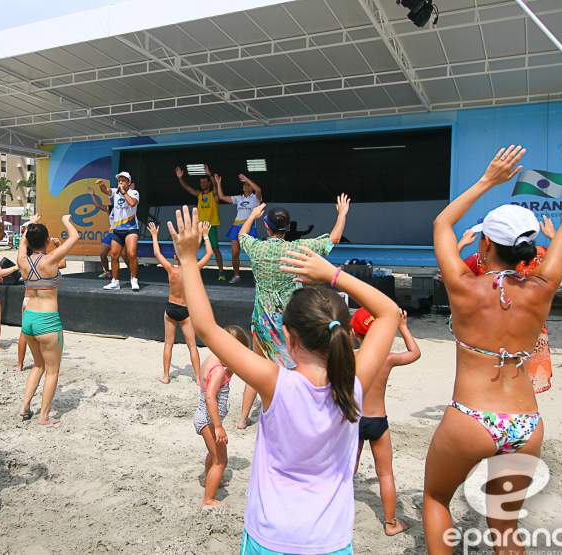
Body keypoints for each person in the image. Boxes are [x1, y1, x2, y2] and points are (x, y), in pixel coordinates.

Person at [168, 205, 401, 554]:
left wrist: (188, 259)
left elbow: (207, 328)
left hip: (270, 537)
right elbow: (390, 314)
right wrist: (333, 275)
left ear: (289, 337)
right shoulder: (354, 383)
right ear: (346, 333)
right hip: (330, 541)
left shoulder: (274, 382)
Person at [424, 116, 562, 555]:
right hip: (526, 423)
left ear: (484, 245)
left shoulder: (464, 286)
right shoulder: (541, 287)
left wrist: (487, 180)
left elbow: (441, 225)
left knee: (437, 498)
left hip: (470, 417)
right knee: (505, 526)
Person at [235, 196, 350, 429]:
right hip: (288, 322)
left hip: (261, 320)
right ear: (287, 228)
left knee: (256, 367)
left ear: (266, 226)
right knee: (293, 370)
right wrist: (342, 214)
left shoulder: (257, 248)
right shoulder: (296, 249)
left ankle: (242, 419)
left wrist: (252, 215)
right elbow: (333, 240)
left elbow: (241, 235)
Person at [458, 216, 562, 394]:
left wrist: (461, 244)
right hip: (530, 333)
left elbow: (450, 273)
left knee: (492, 387)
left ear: (488, 240)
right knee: (523, 388)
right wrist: (554, 237)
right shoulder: (538, 256)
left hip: (492, 332)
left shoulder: (481, 260)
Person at [351, 308, 420, 537]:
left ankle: (336, 514)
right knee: (385, 474)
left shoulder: (349, 357)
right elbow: (415, 353)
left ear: (354, 333)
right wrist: (402, 327)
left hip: (354, 420)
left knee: (347, 471)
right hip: (378, 421)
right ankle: (391, 523)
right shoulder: (387, 359)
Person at [18, 214, 79, 424]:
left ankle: (25, 406)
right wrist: (66, 220)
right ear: (46, 240)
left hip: (29, 319)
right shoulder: (50, 259)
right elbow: (74, 237)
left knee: (38, 365)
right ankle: (43, 417)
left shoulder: (22, 260)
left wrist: (30, 224)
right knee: (52, 372)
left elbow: (23, 240)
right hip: (47, 321)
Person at [148, 221, 213, 385]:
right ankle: (198, 378)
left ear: (175, 257)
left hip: (171, 307)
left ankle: (166, 376)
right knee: (192, 346)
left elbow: (156, 253)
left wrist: (154, 236)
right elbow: (209, 254)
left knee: (168, 344)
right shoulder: (193, 269)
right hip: (185, 310)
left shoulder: (171, 269)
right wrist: (205, 235)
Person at [194, 324, 249, 509]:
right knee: (221, 460)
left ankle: (210, 480)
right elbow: (210, 397)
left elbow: (226, 375)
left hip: (203, 417)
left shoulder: (212, 359)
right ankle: (208, 499)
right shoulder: (218, 370)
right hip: (209, 421)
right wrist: (218, 426)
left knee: (213, 454)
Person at [15, 238, 67, 373]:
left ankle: (19, 364)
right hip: (41, 305)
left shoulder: (25, 260)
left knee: (24, 333)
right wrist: (58, 245)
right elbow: (63, 263)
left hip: (27, 300)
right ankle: (35, 364)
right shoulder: (46, 261)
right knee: (49, 368)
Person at [175, 164, 225, 279]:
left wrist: (210, 175)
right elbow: (188, 188)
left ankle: (221, 272)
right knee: (192, 249)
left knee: (215, 249)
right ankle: (191, 271)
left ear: (209, 183)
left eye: (205, 182)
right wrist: (180, 178)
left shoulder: (214, 195)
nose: (203, 184)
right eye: (201, 182)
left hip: (211, 226)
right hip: (199, 227)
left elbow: (216, 187)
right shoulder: (199, 195)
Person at [215, 172, 262, 284]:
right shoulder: (239, 198)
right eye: (244, 185)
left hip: (249, 227)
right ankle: (236, 275)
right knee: (235, 253)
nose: (246, 186)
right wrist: (218, 183)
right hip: (236, 227)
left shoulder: (256, 198)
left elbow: (258, 189)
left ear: (251, 187)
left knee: (253, 254)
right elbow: (221, 197)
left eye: (248, 185)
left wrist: (246, 179)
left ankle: (257, 276)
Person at [98, 173, 140, 291]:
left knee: (131, 254)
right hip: (117, 230)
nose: (120, 182)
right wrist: (101, 185)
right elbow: (106, 191)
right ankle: (115, 282)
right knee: (114, 255)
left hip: (131, 228)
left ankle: (134, 279)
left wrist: (124, 192)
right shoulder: (115, 192)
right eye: (119, 180)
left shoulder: (134, 192)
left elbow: (132, 203)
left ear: (129, 182)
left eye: (123, 180)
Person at [88, 186, 129, 280]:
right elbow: (98, 205)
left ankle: (132, 271)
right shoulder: (110, 208)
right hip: (111, 233)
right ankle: (107, 272)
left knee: (124, 255)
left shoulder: (126, 207)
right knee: (102, 254)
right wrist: (92, 195)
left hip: (121, 233)